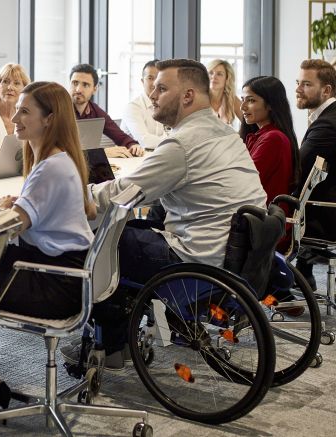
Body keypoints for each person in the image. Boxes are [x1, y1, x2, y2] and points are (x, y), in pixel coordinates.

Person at [62, 59, 266, 369]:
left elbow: (122, 193)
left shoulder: (182, 144)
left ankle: (109, 344)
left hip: (197, 258)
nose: (152, 96)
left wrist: (70, 196)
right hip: (232, 249)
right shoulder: (224, 132)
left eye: (161, 88)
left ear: (187, 96)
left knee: (103, 241)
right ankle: (120, 336)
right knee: (131, 231)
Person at [0, 81, 95, 414]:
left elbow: (8, 228)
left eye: (25, 111)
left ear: (48, 119)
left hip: (53, 281)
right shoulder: (60, 160)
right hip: (65, 270)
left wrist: (2, 210)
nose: (15, 117)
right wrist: (17, 204)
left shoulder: (49, 168)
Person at [239, 75, 301, 250]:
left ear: (271, 105)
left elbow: (243, 181)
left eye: (251, 101)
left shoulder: (273, 138)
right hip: (261, 216)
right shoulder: (261, 135)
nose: (243, 107)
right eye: (242, 100)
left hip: (264, 222)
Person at [293, 59, 336, 288]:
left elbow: (298, 169)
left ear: (326, 90)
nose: (298, 89)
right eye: (298, 82)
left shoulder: (328, 124)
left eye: (306, 84)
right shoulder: (326, 116)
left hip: (325, 216)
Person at [70, 63, 144, 158]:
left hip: (87, 166)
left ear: (94, 89)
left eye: (85, 85)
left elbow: (120, 137)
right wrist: (101, 153)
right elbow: (59, 154)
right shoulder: (58, 110)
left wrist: (133, 145)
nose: (78, 89)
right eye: (75, 83)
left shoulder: (95, 111)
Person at [121, 59, 169, 150]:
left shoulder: (163, 104)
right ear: (142, 81)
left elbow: (168, 133)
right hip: (132, 158)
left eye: (158, 78)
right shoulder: (133, 107)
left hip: (155, 153)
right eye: (150, 78)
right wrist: (171, 142)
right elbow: (145, 141)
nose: (155, 83)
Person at [207, 59, 243, 129]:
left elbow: (249, 122)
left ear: (227, 79)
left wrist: (238, 136)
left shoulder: (231, 98)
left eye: (219, 74)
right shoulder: (199, 98)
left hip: (223, 139)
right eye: (211, 73)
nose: (214, 77)